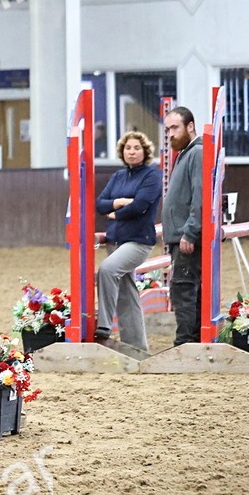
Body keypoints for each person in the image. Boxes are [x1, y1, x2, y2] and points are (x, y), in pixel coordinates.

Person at [94, 131, 161, 351]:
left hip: (138, 241)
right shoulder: (118, 176)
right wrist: (120, 202)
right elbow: (100, 204)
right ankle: (137, 348)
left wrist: (116, 213)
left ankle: (103, 325)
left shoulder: (152, 176)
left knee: (107, 270)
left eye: (136, 148)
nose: (131, 152)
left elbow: (140, 206)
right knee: (126, 292)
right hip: (115, 240)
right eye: (128, 148)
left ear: (145, 151)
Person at [162, 107, 204, 346]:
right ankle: (190, 340)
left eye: (175, 128)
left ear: (190, 126)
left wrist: (190, 231)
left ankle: (185, 342)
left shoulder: (196, 152)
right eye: (167, 129)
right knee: (186, 289)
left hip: (186, 237)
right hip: (180, 236)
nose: (170, 134)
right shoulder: (186, 153)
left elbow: (200, 196)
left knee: (183, 289)